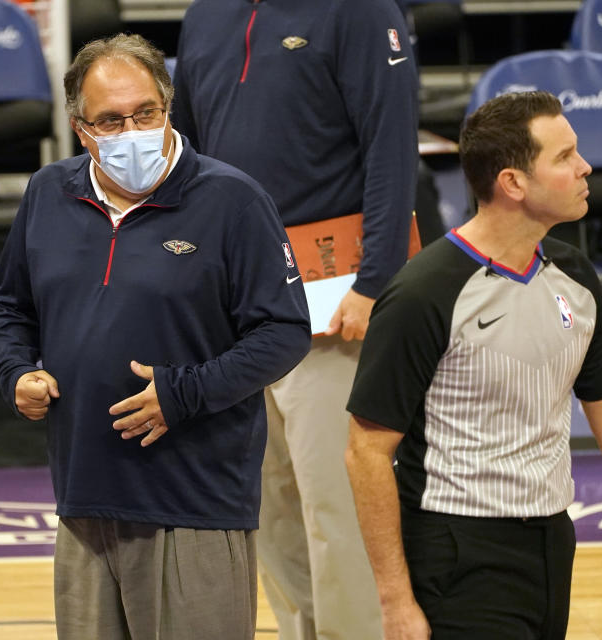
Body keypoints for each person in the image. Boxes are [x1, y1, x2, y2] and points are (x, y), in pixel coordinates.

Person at [344, 91, 602, 639]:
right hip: (456, 554)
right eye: (564, 157)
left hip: (551, 543)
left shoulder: (576, 277)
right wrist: (395, 600)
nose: (586, 166)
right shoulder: (424, 293)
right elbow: (366, 452)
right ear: (513, 183)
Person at [0, 34, 311, 640]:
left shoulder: (232, 200)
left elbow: (284, 331)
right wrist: (14, 373)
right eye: (110, 119)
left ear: (169, 107)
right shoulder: (47, 195)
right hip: (83, 499)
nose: (130, 130)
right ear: (81, 128)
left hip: (193, 503)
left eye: (145, 113)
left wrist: (183, 393)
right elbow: (13, 306)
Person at [171, 1, 419, 638]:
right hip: (237, 302)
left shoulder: (359, 10)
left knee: (340, 506)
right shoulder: (205, 16)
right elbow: (187, 162)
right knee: (269, 512)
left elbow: (391, 151)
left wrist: (376, 284)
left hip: (338, 301)